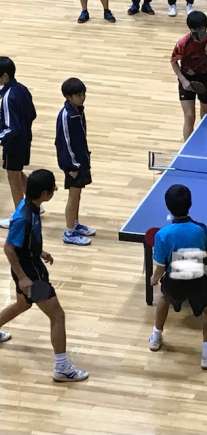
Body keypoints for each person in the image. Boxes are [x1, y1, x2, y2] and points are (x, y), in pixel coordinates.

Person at [0, 169, 89, 382]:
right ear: (44, 194)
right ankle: (62, 368)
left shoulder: (31, 207)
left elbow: (25, 241)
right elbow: (9, 248)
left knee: (23, 304)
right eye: (53, 188)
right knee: (57, 315)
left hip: (30, 268)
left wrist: (39, 251)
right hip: (31, 276)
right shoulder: (23, 217)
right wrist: (23, 278)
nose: (55, 189)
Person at [149, 184, 207, 370]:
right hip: (196, 279)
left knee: (164, 297)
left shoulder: (162, 234)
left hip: (174, 280)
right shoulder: (200, 229)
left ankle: (156, 337)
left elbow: (160, 267)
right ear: (190, 204)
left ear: (168, 207)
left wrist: (154, 279)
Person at [171, 11, 207, 141]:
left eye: (202, 30)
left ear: (206, 27)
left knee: (206, 117)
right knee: (189, 117)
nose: (199, 34)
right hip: (187, 79)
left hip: (206, 78)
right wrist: (183, 80)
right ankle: (187, 149)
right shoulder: (183, 43)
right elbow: (173, 61)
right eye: (195, 31)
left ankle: (203, 145)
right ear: (190, 29)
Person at [55, 78, 96, 246]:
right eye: (79, 95)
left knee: (78, 195)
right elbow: (63, 143)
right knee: (73, 196)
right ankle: (69, 232)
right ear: (68, 97)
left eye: (83, 94)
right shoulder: (66, 116)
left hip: (81, 160)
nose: (83, 97)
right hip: (73, 165)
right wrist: (72, 166)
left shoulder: (78, 110)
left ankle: (75, 223)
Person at [0, 57, 37, 230]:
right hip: (25, 139)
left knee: (13, 176)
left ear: (5, 76)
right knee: (18, 172)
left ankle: (20, 217)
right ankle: (34, 203)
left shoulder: (8, 97)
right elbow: (32, 114)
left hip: (14, 144)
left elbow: (11, 128)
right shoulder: (22, 89)